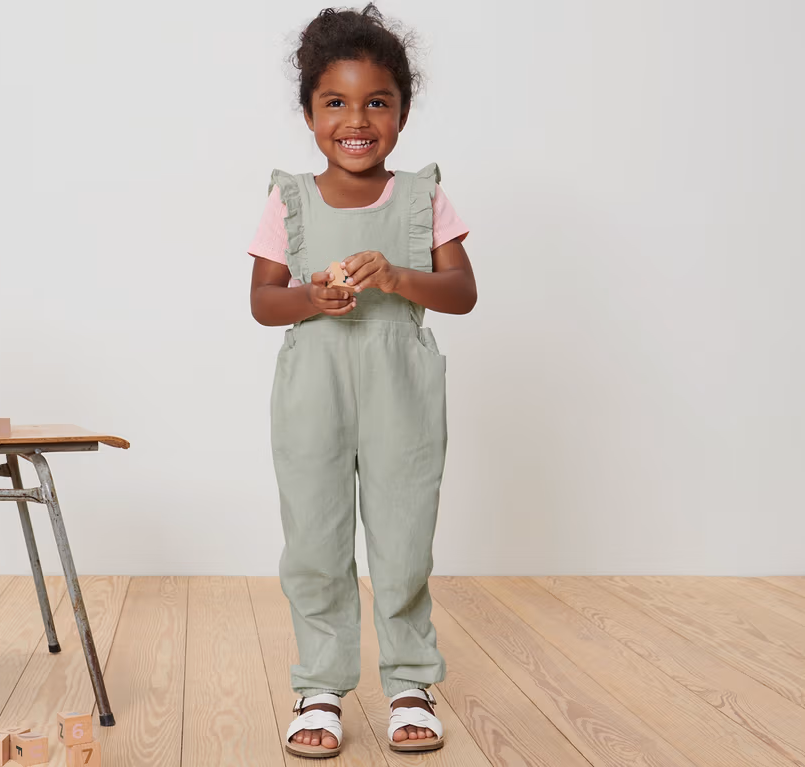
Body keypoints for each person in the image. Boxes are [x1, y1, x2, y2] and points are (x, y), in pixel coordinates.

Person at [247, 2, 476, 757]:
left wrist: (400, 276)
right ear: (309, 113)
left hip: (400, 384)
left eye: (377, 102)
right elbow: (263, 303)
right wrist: (311, 298)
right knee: (315, 538)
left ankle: (410, 682)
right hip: (312, 385)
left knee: (404, 538)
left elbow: (463, 293)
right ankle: (320, 685)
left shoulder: (422, 196)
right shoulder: (288, 199)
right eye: (335, 103)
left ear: (402, 112)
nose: (356, 120)